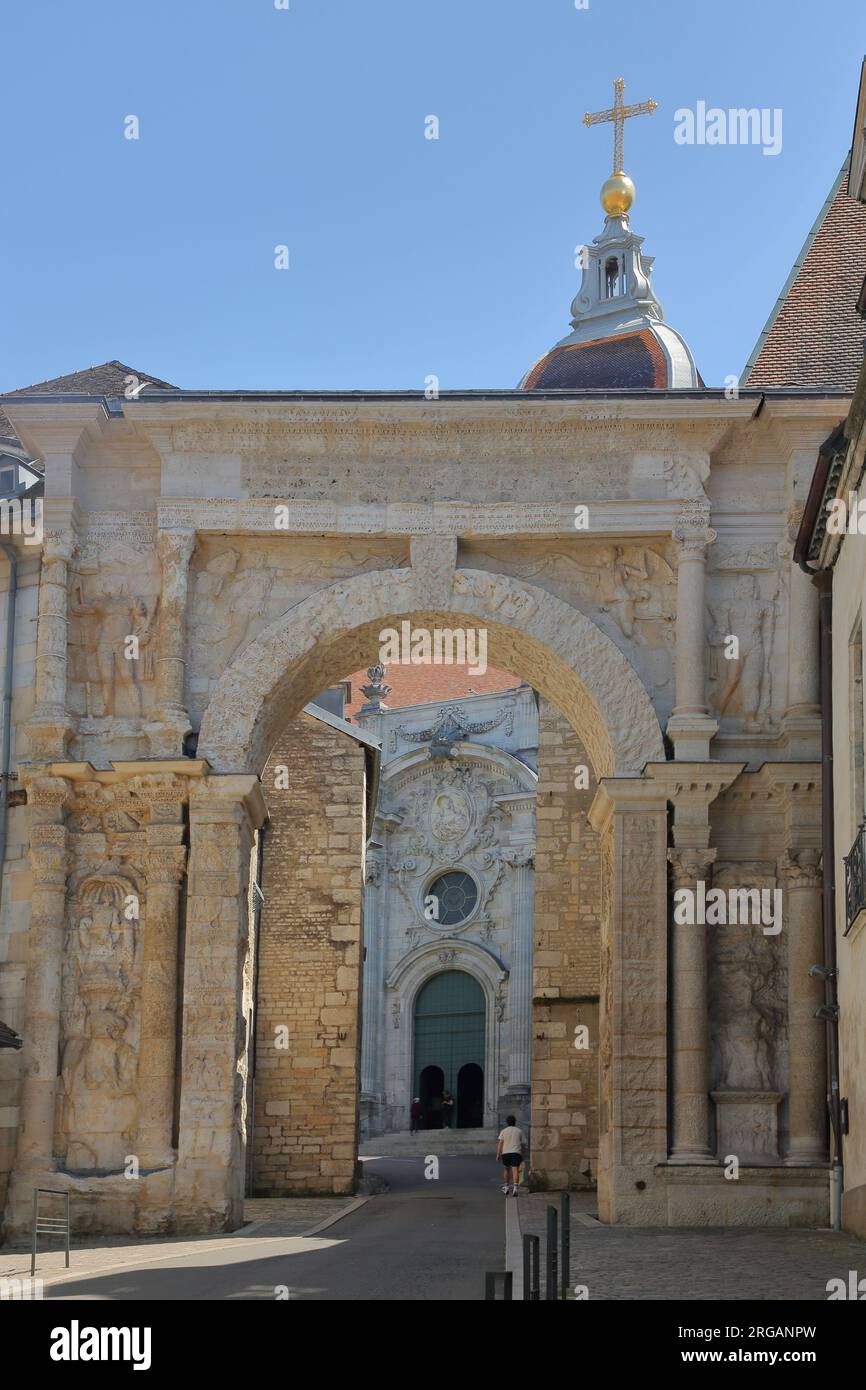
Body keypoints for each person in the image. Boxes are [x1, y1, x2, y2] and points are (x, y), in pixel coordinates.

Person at [496, 1114, 526, 1196]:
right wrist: (523, 1155)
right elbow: (523, 1145)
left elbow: (500, 1143)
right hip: (516, 1153)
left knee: (506, 1169)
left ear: (507, 1122)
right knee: (515, 1170)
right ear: (515, 1122)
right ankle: (515, 1188)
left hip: (506, 1153)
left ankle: (506, 1187)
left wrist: (498, 1154)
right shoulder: (519, 1131)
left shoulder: (503, 1131)